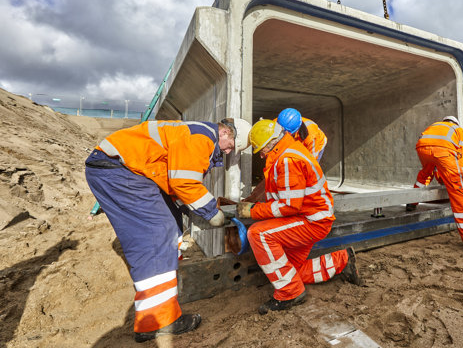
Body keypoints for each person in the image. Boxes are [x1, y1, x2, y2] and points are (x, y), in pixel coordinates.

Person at [85, 118, 251, 343]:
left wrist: (186, 208)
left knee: (168, 226)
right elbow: (184, 182)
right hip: (121, 172)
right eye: (232, 145)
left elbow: (171, 177)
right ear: (224, 132)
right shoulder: (202, 138)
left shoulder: (197, 134)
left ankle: (157, 307)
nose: (229, 151)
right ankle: (158, 322)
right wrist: (213, 213)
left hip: (125, 171)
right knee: (157, 236)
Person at [234, 119, 360, 315]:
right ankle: (342, 261)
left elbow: (289, 206)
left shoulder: (287, 160)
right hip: (311, 217)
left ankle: (289, 293)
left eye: (261, 150)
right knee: (290, 271)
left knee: (258, 234)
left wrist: (252, 211)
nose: (261, 155)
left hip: (311, 221)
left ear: (270, 143)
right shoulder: (288, 152)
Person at [410, 116, 463, 250]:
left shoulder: (435, 124)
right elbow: (460, 155)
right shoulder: (459, 130)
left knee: (426, 173)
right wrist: (457, 180)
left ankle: (411, 203)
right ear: (455, 123)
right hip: (442, 151)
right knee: (459, 194)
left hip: (422, 148)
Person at [243, 108, 328, 204]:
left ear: (295, 131)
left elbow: (309, 164)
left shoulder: (312, 137)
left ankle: (299, 196)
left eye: (286, 134)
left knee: (304, 173)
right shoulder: (275, 125)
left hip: (314, 145)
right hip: (294, 140)